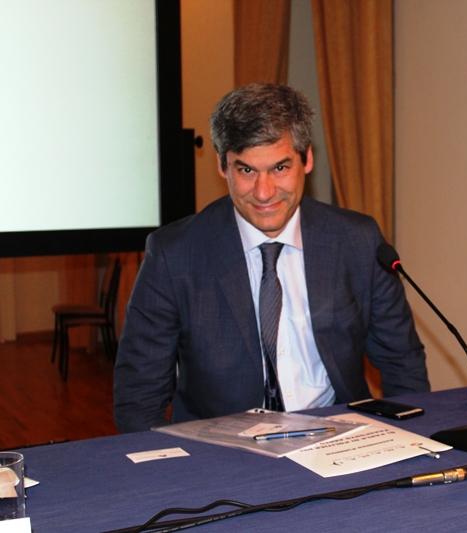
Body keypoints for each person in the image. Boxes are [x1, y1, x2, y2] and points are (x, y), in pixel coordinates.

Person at [113, 84, 429, 433]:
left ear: (307, 160)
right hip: (220, 449)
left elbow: (403, 363)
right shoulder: (175, 255)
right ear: (222, 166)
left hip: (340, 438)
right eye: (246, 171)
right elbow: (138, 401)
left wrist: (409, 440)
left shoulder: (357, 240)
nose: (264, 193)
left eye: (280, 168)